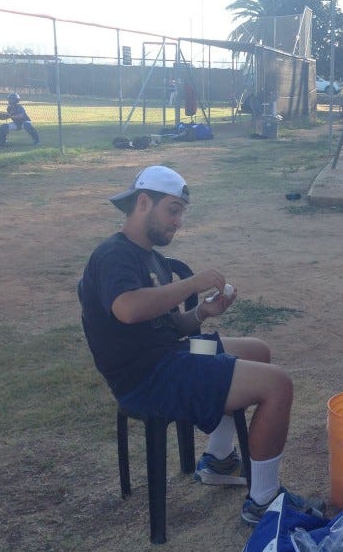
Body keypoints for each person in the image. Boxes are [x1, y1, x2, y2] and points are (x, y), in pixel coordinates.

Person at [79, 164, 324, 526]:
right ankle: (263, 500)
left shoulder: (152, 258)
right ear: (143, 202)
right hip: (150, 375)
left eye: (180, 214)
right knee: (278, 384)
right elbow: (128, 309)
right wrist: (190, 283)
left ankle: (219, 459)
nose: (178, 222)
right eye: (173, 211)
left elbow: (169, 325)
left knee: (255, 350)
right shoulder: (114, 255)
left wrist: (202, 313)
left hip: (173, 355)